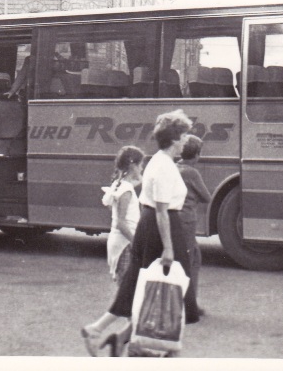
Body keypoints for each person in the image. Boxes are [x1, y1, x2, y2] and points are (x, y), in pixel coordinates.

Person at [81, 109, 198, 357]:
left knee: (138, 283)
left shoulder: (159, 161)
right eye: (185, 135)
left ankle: (111, 333)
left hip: (151, 227)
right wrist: (168, 248)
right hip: (160, 229)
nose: (187, 140)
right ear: (174, 138)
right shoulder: (164, 166)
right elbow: (162, 211)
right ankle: (151, 344)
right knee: (166, 283)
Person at [177, 135, 211, 318]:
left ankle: (185, 303)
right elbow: (207, 197)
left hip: (174, 219)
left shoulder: (174, 168)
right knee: (191, 261)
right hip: (187, 221)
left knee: (185, 259)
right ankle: (190, 306)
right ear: (196, 155)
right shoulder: (192, 172)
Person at [101, 146, 145, 283]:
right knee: (127, 289)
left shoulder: (118, 184)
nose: (142, 168)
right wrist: (136, 242)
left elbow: (111, 208)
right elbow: (120, 222)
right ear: (133, 165)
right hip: (124, 244)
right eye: (141, 165)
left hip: (119, 242)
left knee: (126, 290)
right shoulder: (126, 191)